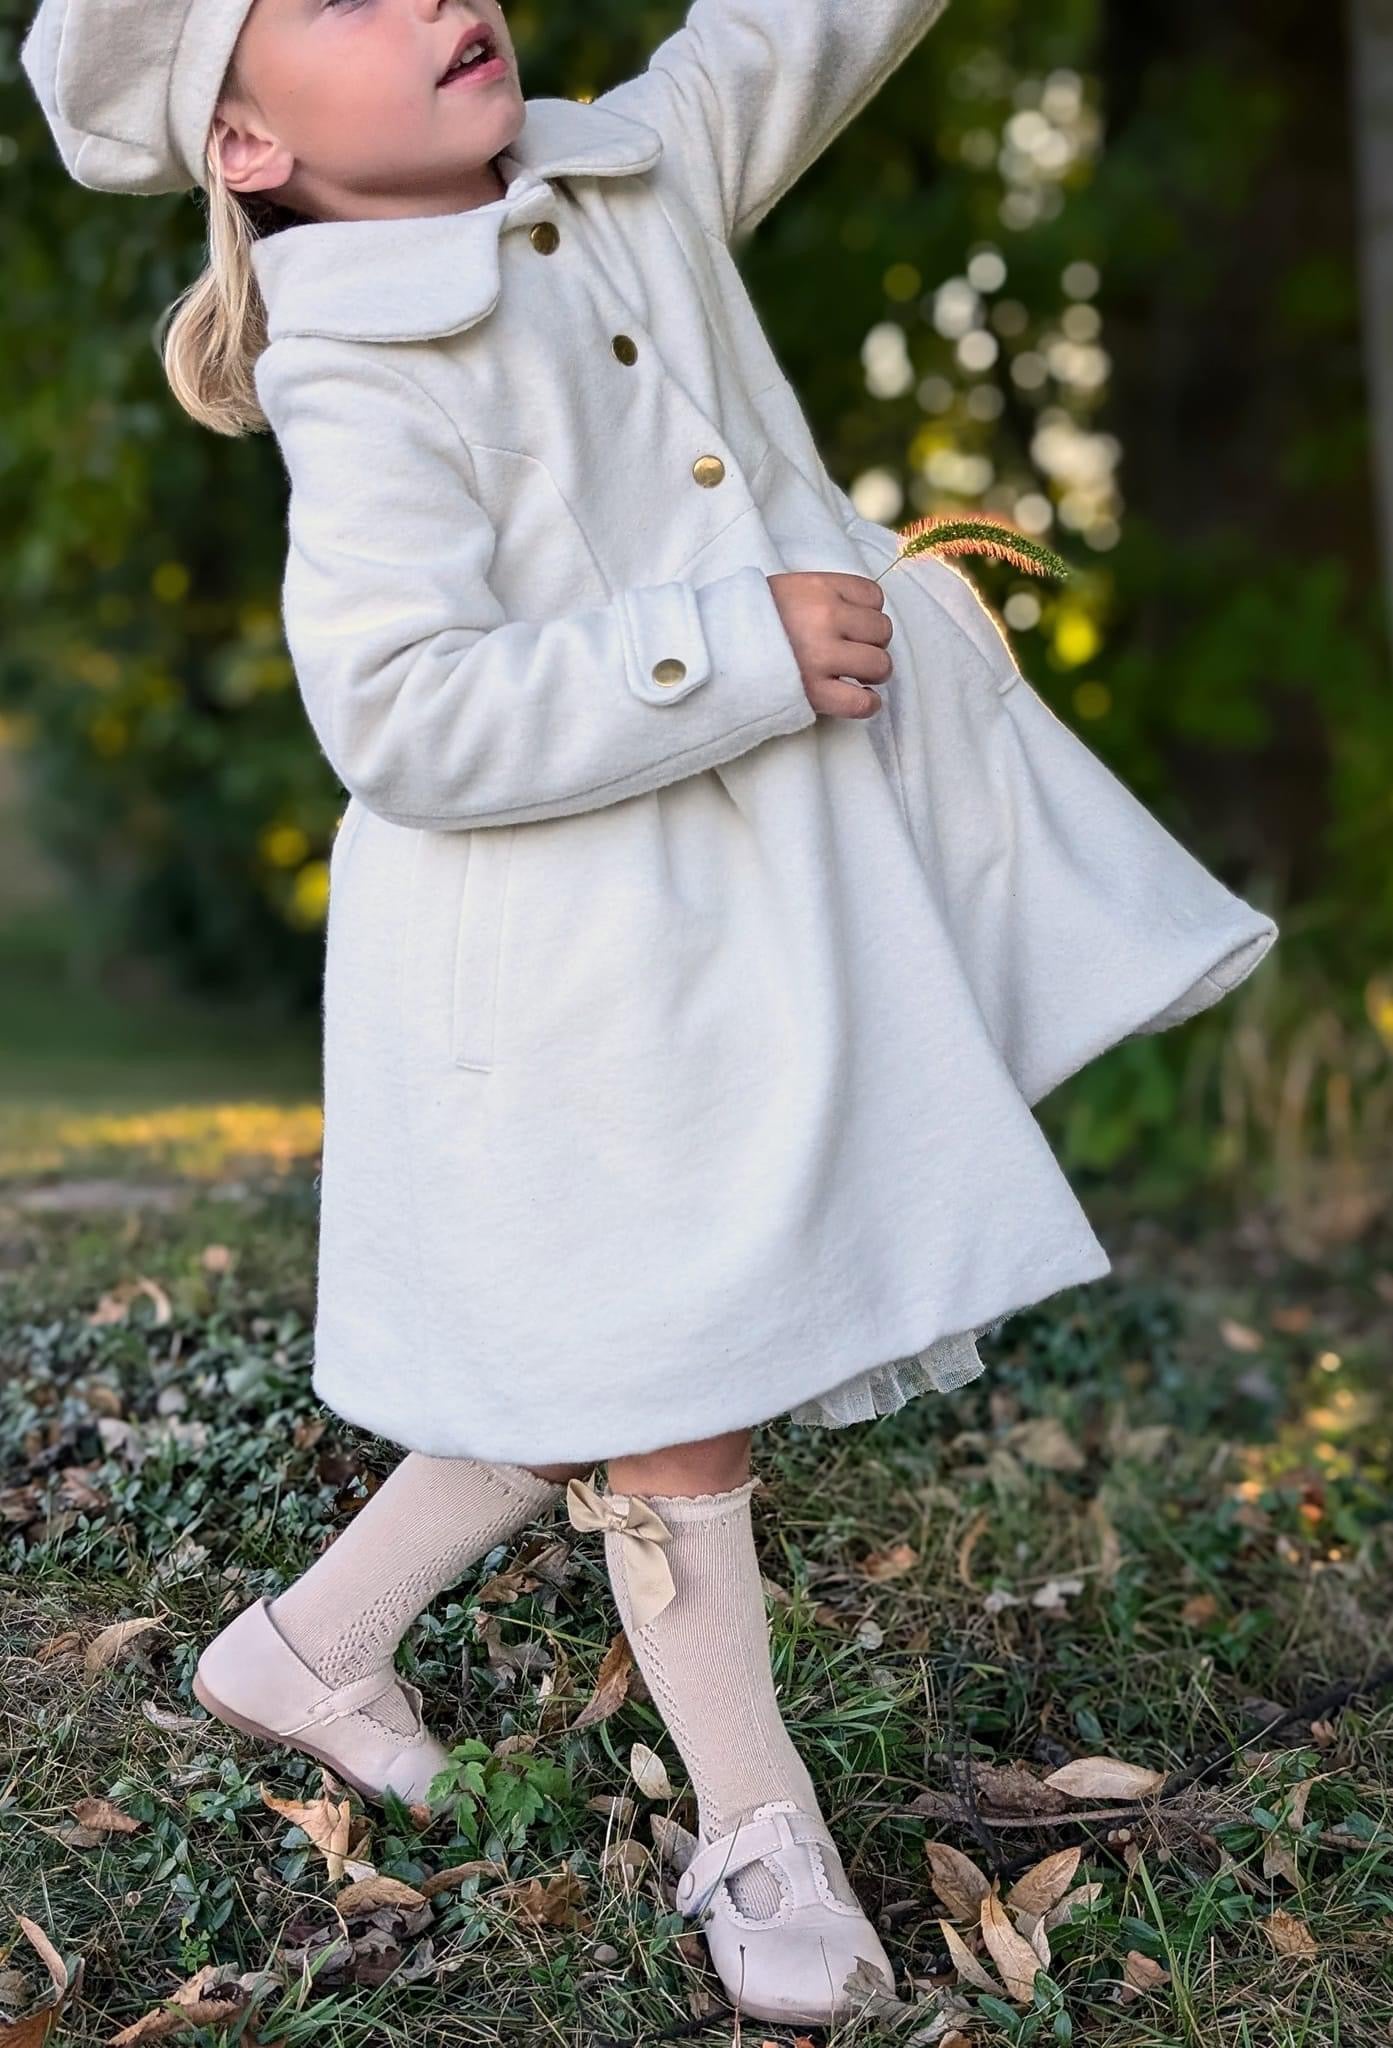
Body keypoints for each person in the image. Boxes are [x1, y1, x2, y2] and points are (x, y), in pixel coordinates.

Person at [21, 0, 1278, 2023]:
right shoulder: (354, 355)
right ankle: (754, 1823)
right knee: (676, 1360)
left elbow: (800, 20)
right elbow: (404, 709)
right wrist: (735, 643)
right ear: (247, 145)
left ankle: (311, 1645)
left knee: (645, 1334)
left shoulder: (631, 163)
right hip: (560, 958)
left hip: (742, 917)